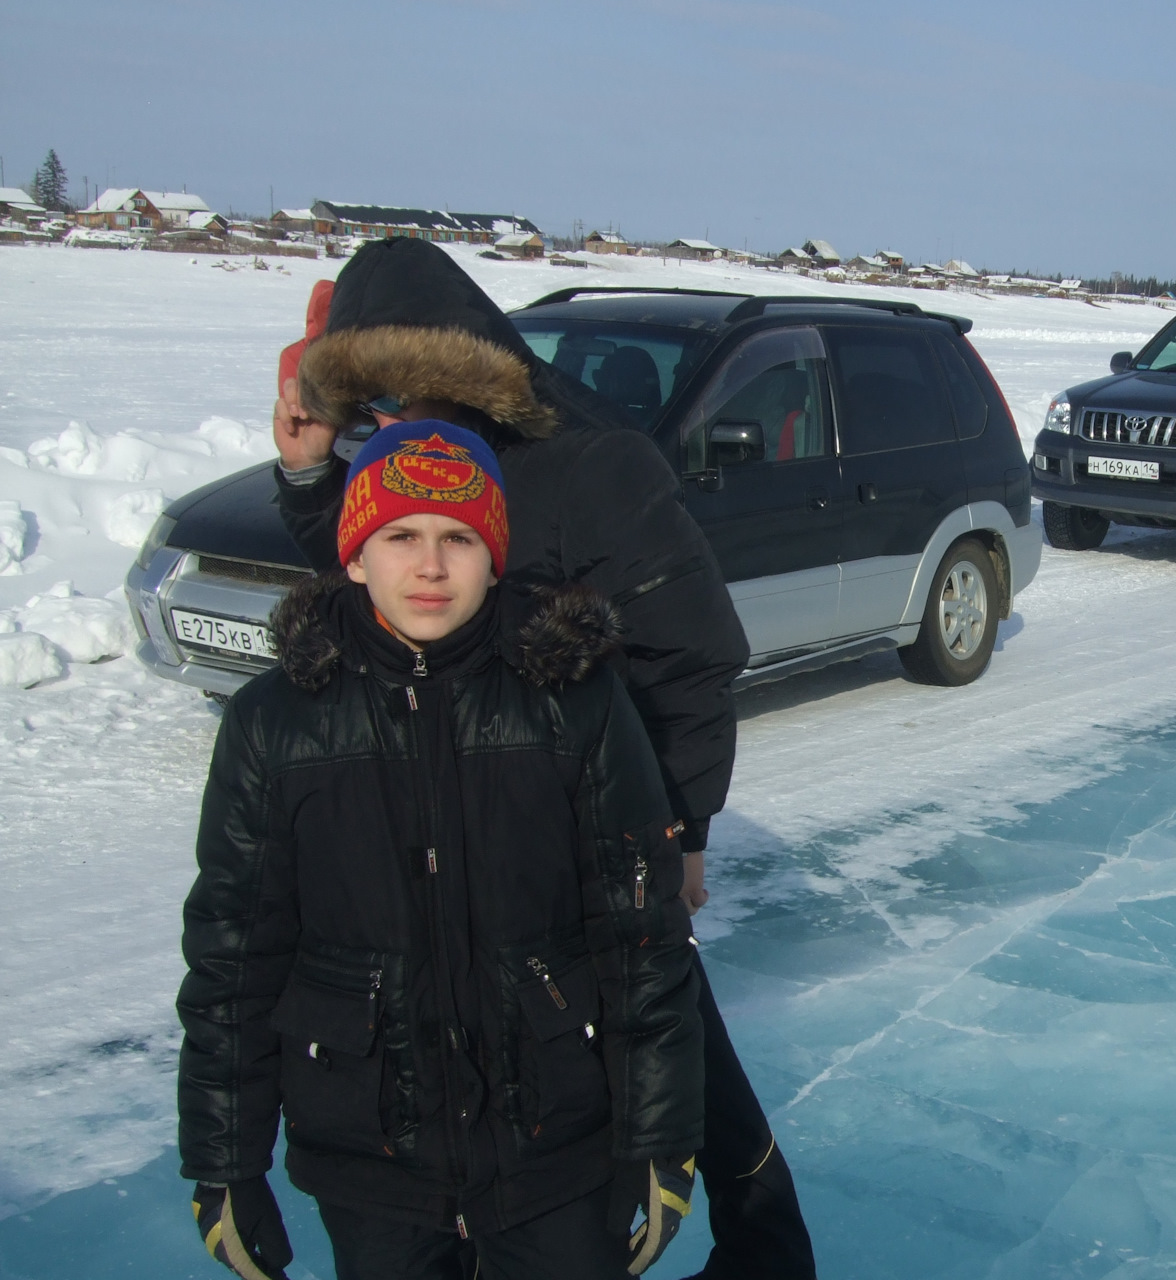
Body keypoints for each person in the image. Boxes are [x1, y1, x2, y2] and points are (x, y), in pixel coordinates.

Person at [267, 241, 816, 1280]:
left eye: (395, 390)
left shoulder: (591, 463)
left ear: (451, 364)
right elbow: (362, 583)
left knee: (665, 1049)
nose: (383, 419)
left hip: (596, 828)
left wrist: (678, 832)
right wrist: (307, 466)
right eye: (366, 400)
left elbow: (695, 654)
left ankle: (764, 1249)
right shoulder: (400, 460)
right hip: (474, 835)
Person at [179, 422, 703, 1279]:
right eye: (401, 536)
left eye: (459, 538)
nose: (430, 566)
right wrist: (223, 1162)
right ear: (354, 555)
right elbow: (233, 955)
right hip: (372, 1155)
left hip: (557, 1145)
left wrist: (660, 1138)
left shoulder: (574, 701)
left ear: (495, 557)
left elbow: (641, 934)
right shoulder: (275, 724)